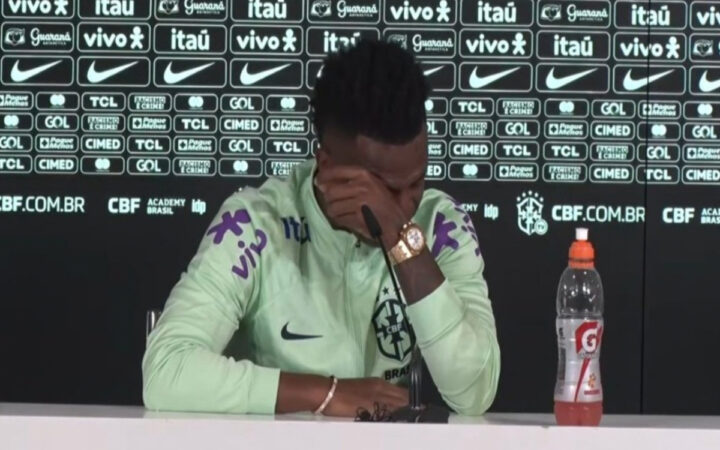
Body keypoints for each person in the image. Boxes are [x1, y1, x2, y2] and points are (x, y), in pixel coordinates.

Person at [142, 39, 500, 417]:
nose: (405, 204)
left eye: (416, 182)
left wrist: (402, 240)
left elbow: (473, 392)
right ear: (327, 166)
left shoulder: (440, 224)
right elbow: (166, 371)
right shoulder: (255, 222)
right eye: (383, 190)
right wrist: (326, 393)